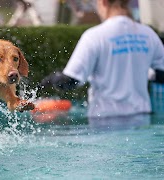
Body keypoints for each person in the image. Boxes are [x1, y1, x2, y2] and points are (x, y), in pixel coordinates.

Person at [40, 0, 164, 130]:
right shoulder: (148, 34)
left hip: (104, 121)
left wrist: (50, 80)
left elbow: (70, 81)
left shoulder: (94, 36)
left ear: (103, 2)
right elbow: (162, 75)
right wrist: (148, 73)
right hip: (141, 119)